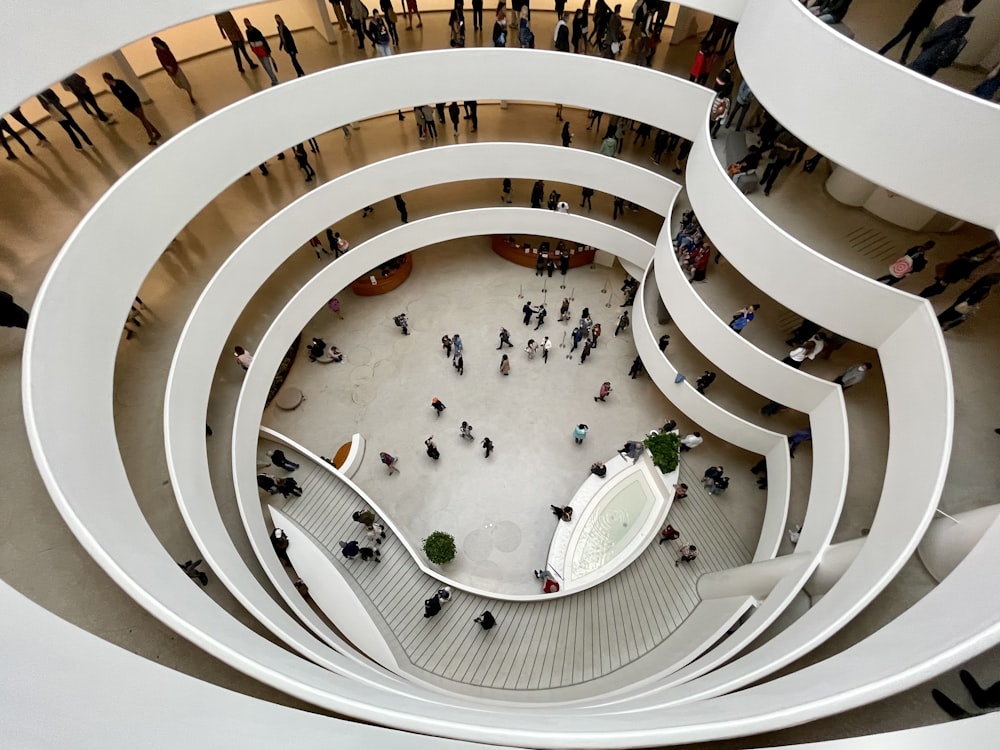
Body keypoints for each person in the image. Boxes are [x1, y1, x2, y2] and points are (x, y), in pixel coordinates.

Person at [908, 0, 980, 78]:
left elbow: (938, 34)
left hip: (934, 51)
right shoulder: (967, 21)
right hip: (939, 54)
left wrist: (927, 40)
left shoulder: (957, 20)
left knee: (917, 70)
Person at [879, 0, 945, 65]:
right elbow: (930, 14)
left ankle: (883, 50)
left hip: (913, 20)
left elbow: (919, 8)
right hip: (920, 23)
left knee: (899, 37)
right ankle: (903, 58)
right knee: (910, 42)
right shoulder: (935, 4)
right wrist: (925, 24)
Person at [102, 73, 161, 145]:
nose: (106, 82)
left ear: (109, 78)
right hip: (128, 106)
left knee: (143, 121)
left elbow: (131, 93)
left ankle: (151, 138)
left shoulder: (120, 83)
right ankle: (157, 133)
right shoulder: (112, 87)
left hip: (135, 104)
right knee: (143, 120)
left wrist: (136, 105)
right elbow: (120, 97)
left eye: (106, 80)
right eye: (105, 80)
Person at [152, 37, 196, 104]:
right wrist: (168, 68)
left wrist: (172, 67)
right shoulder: (158, 51)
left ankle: (190, 96)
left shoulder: (165, 49)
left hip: (175, 68)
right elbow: (162, 61)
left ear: (157, 43)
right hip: (170, 70)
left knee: (184, 82)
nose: (153, 45)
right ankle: (188, 92)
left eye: (154, 43)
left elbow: (172, 58)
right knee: (178, 83)